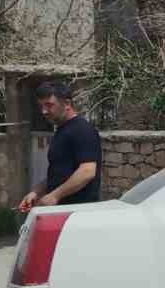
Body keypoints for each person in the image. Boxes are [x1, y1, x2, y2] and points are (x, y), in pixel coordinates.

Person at [19, 81, 102, 211]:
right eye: (41, 106)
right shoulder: (61, 131)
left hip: (78, 213)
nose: (44, 111)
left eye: (49, 105)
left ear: (67, 104)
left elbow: (87, 171)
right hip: (61, 211)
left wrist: (54, 196)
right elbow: (58, 175)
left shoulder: (82, 130)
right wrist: (36, 192)